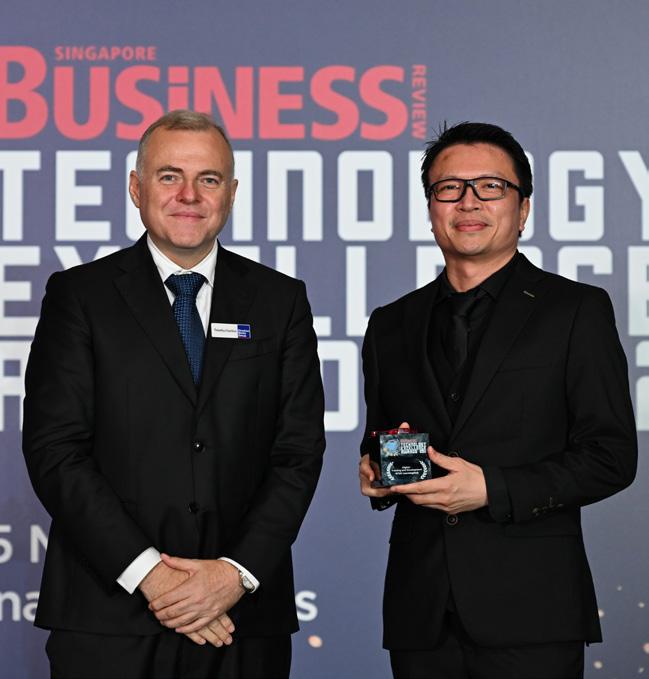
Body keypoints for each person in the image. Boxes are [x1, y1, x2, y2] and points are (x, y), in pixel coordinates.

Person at [23, 109, 325, 679]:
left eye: (208, 179)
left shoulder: (280, 301)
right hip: (108, 618)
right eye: (169, 176)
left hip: (241, 619)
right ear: (136, 189)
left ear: (231, 193)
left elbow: (298, 452)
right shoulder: (79, 297)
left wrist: (233, 574)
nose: (190, 195)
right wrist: (153, 577)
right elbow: (55, 450)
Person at [358, 122, 637, 679]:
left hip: (532, 610)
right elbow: (385, 435)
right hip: (421, 612)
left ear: (523, 207)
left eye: (490, 186)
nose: (469, 202)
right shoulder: (391, 324)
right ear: (430, 208)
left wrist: (491, 488)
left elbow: (611, 457)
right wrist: (376, 472)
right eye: (449, 188)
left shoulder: (575, 311)